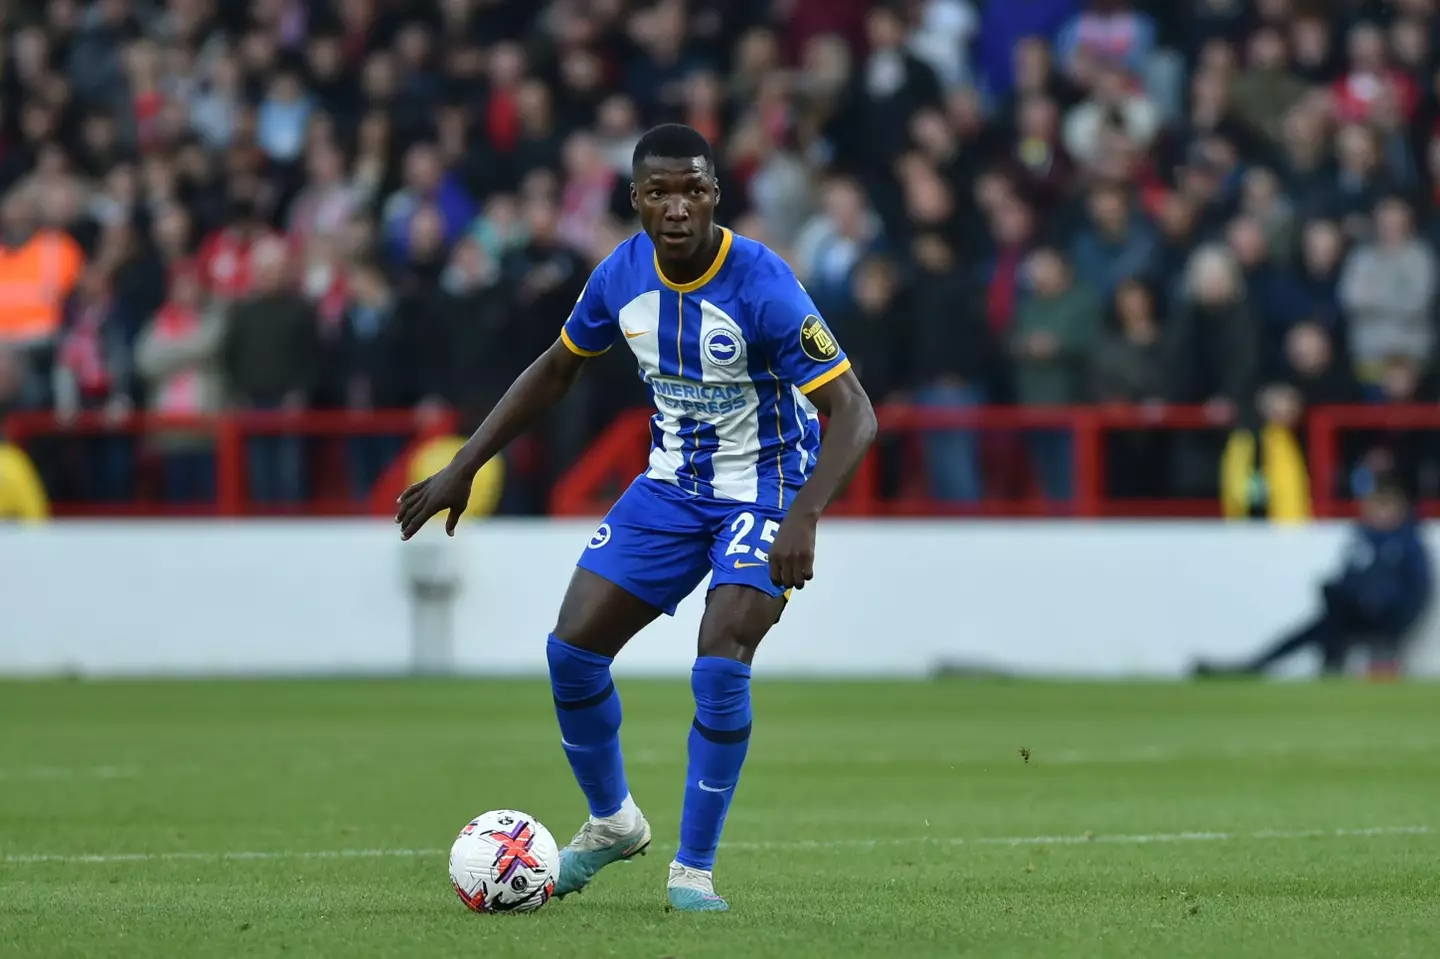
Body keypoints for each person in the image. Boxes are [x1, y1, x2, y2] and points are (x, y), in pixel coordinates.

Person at [395, 124, 877, 912]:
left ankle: (692, 870)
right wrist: (465, 461)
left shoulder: (764, 283)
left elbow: (854, 413)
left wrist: (805, 513)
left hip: (765, 489)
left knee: (720, 653)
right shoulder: (620, 275)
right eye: (660, 192)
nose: (677, 207)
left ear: (715, 195)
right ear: (636, 200)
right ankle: (614, 821)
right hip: (671, 488)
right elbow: (555, 372)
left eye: (693, 189)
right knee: (572, 650)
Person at [1193, 474, 1432, 678]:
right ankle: (1256, 666)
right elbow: (1350, 576)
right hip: (1353, 612)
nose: (1376, 513)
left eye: (1383, 506)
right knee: (1323, 618)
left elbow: (1416, 591)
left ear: (1398, 508)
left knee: (1329, 620)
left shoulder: (1407, 543)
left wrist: (1390, 613)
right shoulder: (1362, 536)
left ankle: (1313, 664)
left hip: (1387, 616)